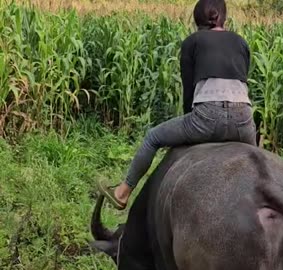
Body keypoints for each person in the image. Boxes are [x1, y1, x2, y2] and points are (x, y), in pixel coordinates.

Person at [97, 0, 256, 210]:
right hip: (243, 120)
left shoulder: (193, 42)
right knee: (257, 160)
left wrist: (192, 124)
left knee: (153, 137)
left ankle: (123, 192)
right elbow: (242, 81)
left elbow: (188, 91)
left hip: (207, 117)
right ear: (223, 17)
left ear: (197, 19)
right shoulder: (240, 42)